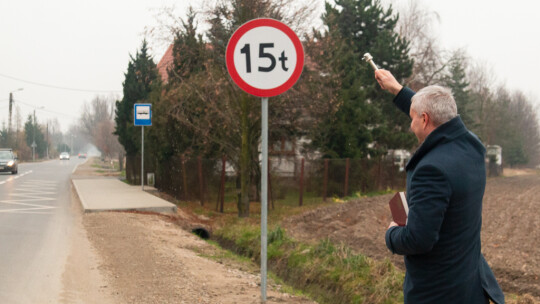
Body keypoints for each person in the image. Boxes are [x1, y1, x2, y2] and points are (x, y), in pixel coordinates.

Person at [375, 69, 505, 304]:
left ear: (424, 119)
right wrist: (397, 90)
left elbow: (418, 240)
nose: (410, 123)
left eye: (413, 118)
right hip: (471, 287)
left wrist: (391, 232)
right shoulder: (473, 147)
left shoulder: (431, 170)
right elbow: (437, 117)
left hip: (438, 294)